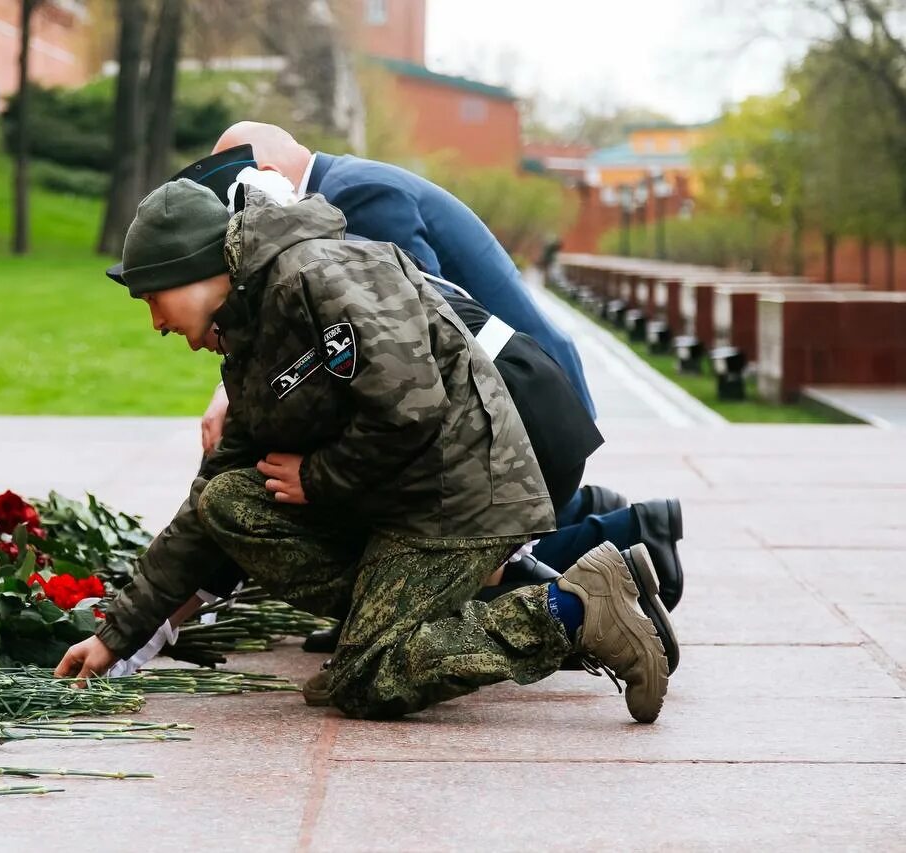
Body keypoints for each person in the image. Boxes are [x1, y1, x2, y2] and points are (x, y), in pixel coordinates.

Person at [55, 178, 676, 723]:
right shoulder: (248, 334)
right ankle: (394, 635)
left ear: (189, 271)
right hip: (398, 499)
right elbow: (210, 497)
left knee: (370, 679)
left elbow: (412, 411)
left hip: (462, 493)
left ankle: (574, 609)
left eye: (151, 300)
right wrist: (117, 636)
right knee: (226, 500)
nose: (155, 323)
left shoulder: (322, 276)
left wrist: (319, 479)